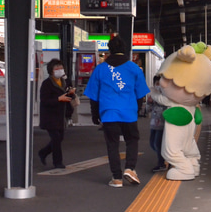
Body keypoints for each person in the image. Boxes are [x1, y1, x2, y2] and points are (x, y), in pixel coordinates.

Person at [84, 36, 150, 188]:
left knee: (112, 145)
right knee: (132, 140)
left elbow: (94, 96)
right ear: (125, 49)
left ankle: (116, 178)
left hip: (108, 113)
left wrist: (95, 115)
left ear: (109, 50)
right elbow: (140, 94)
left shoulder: (100, 69)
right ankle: (130, 168)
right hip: (129, 112)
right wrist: (136, 110)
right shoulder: (134, 68)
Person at [38, 59, 75, 169]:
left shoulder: (65, 82)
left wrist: (71, 94)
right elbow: (44, 100)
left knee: (60, 138)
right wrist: (59, 99)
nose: (59, 70)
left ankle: (43, 152)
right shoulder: (47, 84)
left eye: (61, 68)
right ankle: (57, 162)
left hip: (61, 116)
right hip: (50, 116)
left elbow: (68, 97)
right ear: (51, 71)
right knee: (56, 139)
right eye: (56, 68)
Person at [147, 74, 168, 173]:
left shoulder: (166, 95)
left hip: (163, 123)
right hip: (154, 123)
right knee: (152, 143)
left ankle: (161, 163)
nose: (158, 86)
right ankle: (164, 157)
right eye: (156, 83)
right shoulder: (153, 95)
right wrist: (149, 102)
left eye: (159, 84)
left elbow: (166, 104)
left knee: (157, 143)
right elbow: (147, 110)